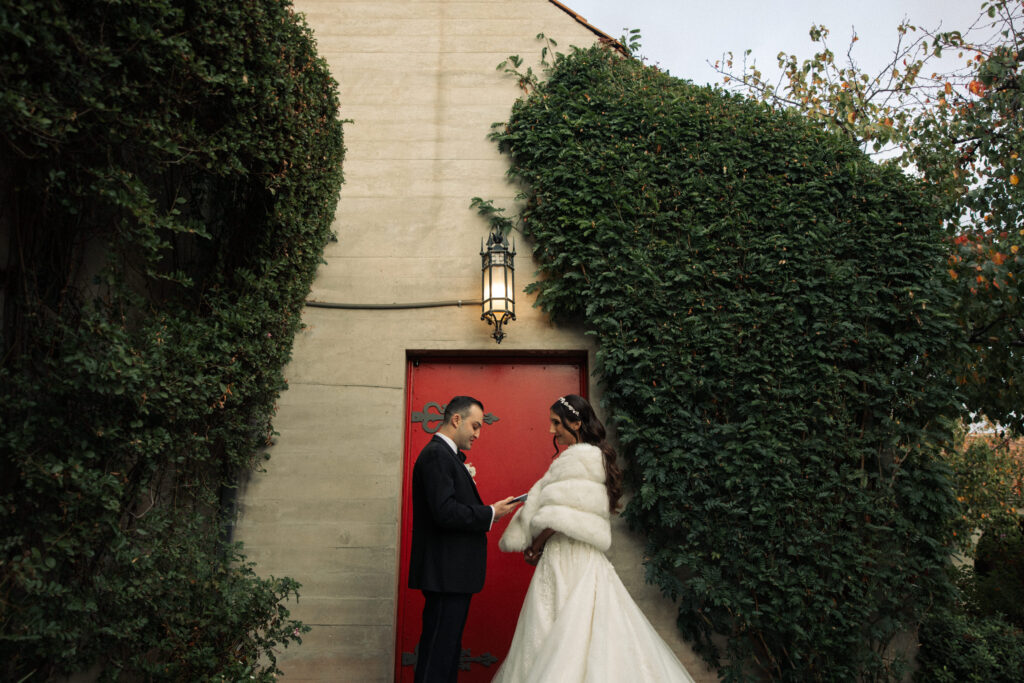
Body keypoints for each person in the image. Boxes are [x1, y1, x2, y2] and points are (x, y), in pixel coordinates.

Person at [492, 394, 697, 682]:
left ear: (576, 423)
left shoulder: (576, 458)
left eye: (556, 423)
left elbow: (562, 516)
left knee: (557, 626)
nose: (551, 431)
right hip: (586, 557)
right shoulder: (596, 456)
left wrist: (535, 546)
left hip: (566, 556)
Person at [408, 395, 521, 683]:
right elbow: (443, 512)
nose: (477, 434)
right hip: (445, 574)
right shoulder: (436, 455)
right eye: (475, 426)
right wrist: (489, 513)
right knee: (437, 655)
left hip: (452, 575)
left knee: (446, 653)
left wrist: (490, 512)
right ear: (456, 419)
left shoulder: (446, 456)